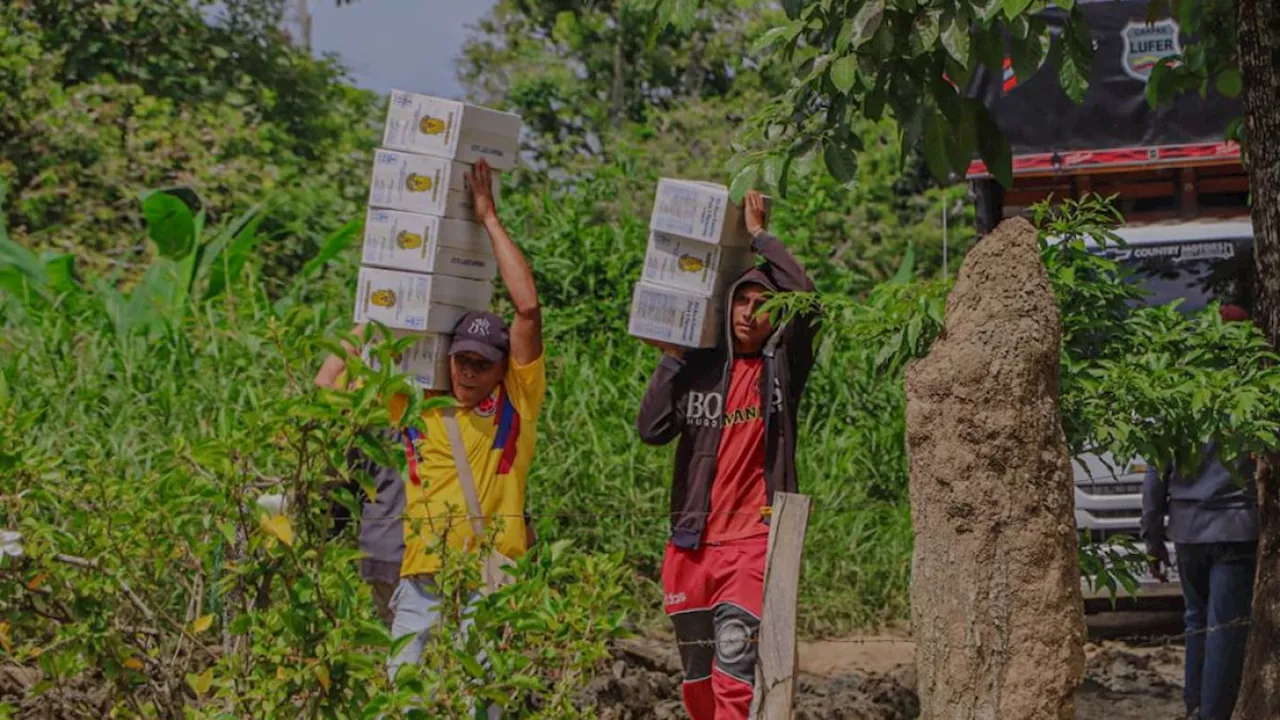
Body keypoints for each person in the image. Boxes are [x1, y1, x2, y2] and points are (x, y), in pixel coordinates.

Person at [314, 159, 545, 685]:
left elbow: (527, 312)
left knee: (477, 701)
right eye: (461, 359)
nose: (467, 371)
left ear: (502, 367)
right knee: (404, 695)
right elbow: (327, 388)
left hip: (490, 580)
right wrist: (379, 303)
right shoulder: (418, 406)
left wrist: (487, 217)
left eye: (482, 363)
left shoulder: (516, 406)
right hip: (421, 579)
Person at [635, 190, 817, 720]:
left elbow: (805, 296)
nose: (751, 311)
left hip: (752, 543)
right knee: (697, 683)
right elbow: (652, 431)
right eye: (742, 299)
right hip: (691, 545)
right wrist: (671, 357)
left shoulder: (782, 368)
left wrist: (760, 236)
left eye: (763, 303)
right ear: (726, 303)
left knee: (735, 674)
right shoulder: (698, 368)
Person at [1141, 304, 1259, 720]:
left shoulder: (1176, 396)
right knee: (1226, 626)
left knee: (1196, 621)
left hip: (1188, 532)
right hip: (1235, 528)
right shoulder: (1255, 393)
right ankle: (1212, 713)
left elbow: (1155, 477)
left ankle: (1195, 707)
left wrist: (1152, 540)